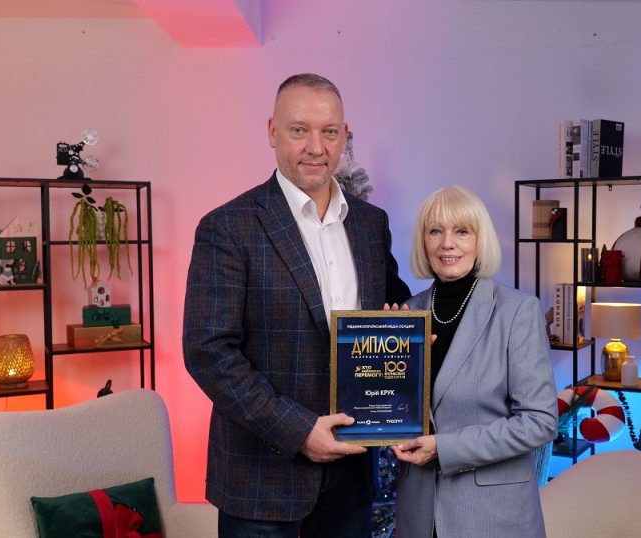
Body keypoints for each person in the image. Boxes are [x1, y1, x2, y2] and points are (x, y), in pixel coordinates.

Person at [183, 73, 411, 538]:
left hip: (352, 477)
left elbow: (393, 307)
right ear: (272, 132)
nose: (315, 147)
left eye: (329, 132)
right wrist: (298, 430)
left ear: (344, 136)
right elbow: (209, 351)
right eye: (298, 130)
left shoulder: (371, 224)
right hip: (262, 481)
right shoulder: (228, 227)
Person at [390, 185, 557, 538]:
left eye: (462, 231)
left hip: (492, 516)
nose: (447, 244)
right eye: (435, 231)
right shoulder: (406, 314)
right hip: (419, 514)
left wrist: (445, 448)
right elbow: (392, 411)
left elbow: (539, 422)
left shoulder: (517, 311)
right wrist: (383, 362)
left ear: (480, 240)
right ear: (423, 241)